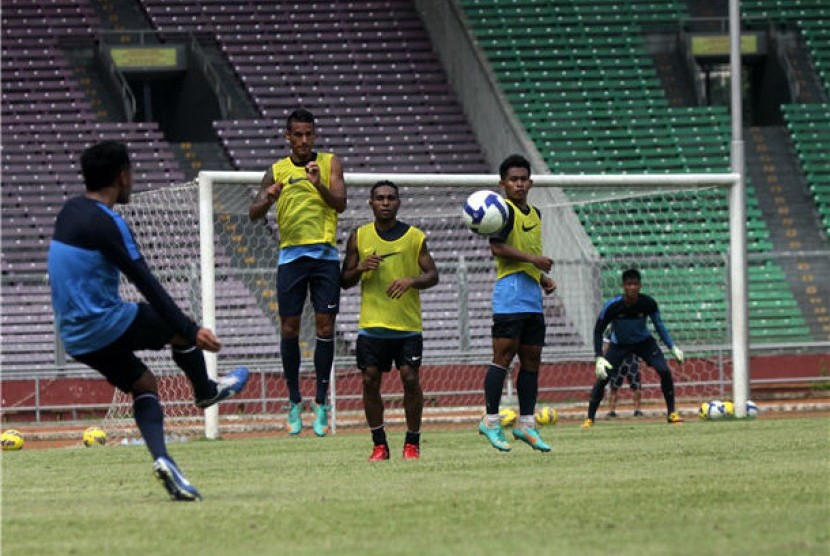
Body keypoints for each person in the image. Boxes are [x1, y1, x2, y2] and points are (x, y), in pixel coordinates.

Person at [48, 141, 249, 501]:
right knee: (178, 327)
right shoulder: (108, 223)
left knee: (144, 384)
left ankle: (164, 460)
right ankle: (205, 391)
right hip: (104, 322)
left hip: (75, 337)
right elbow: (146, 281)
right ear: (122, 176)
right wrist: (191, 329)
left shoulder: (68, 212)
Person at [249, 108, 346, 437]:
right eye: (298, 134)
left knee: (325, 326)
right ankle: (294, 401)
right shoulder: (275, 170)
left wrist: (318, 185)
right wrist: (268, 198)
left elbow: (340, 203)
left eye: (309, 134)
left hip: (324, 256)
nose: (304, 140)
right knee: (289, 328)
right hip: (290, 258)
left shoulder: (330, 162)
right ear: (287, 137)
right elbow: (253, 212)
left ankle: (321, 403)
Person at [341, 181, 439, 461]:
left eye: (390, 198)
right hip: (372, 325)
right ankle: (379, 444)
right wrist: (359, 268)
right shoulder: (359, 236)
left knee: (410, 378)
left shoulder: (414, 237)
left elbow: (433, 275)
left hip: (407, 326)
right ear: (371, 203)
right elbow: (344, 281)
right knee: (370, 381)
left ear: (398, 203)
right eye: (380, 198)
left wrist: (412, 280)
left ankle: (412, 442)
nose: (385, 202)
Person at [478, 154, 557, 453]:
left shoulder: (535, 212)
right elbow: (497, 248)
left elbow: (528, 252)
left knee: (532, 360)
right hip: (509, 294)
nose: (519, 184)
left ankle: (526, 424)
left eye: (523, 179)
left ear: (531, 182)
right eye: (513, 179)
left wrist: (540, 277)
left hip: (531, 298)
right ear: (503, 183)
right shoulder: (502, 211)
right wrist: (535, 261)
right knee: (503, 357)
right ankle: (491, 419)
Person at [583, 268, 685, 428]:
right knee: (603, 377)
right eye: (629, 284)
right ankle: (590, 418)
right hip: (619, 345)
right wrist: (599, 356)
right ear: (623, 286)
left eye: (635, 284)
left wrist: (672, 347)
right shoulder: (613, 306)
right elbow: (598, 330)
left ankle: (672, 413)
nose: (632, 287)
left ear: (640, 286)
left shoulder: (648, 303)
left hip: (644, 343)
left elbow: (659, 325)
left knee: (664, 371)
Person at [603, 340, 643, 418]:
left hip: (632, 359)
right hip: (617, 359)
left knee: (636, 386)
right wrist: (606, 358)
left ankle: (637, 410)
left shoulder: (634, 329)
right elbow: (607, 344)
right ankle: (612, 411)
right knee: (614, 387)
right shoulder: (612, 330)